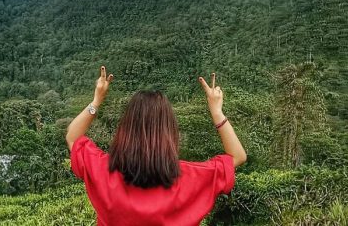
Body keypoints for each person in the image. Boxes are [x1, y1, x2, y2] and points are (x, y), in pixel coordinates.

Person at [65, 66, 247, 226]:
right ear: (169, 131)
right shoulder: (191, 177)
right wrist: (216, 112)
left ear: (127, 127)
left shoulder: (103, 171)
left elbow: (73, 138)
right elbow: (237, 156)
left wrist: (97, 101)